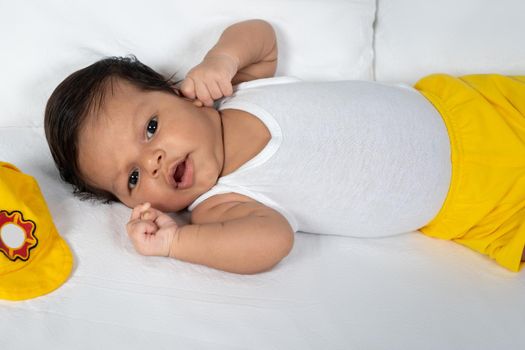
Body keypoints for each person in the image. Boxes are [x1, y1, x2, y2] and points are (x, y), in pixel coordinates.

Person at [45, 19, 525, 274]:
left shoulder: (236, 89)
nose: (151, 162)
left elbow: (261, 37)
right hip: (480, 204)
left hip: (469, 108)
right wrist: (176, 241)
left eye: (150, 128)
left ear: (177, 92)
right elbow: (270, 242)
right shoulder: (221, 206)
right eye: (131, 178)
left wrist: (221, 59)